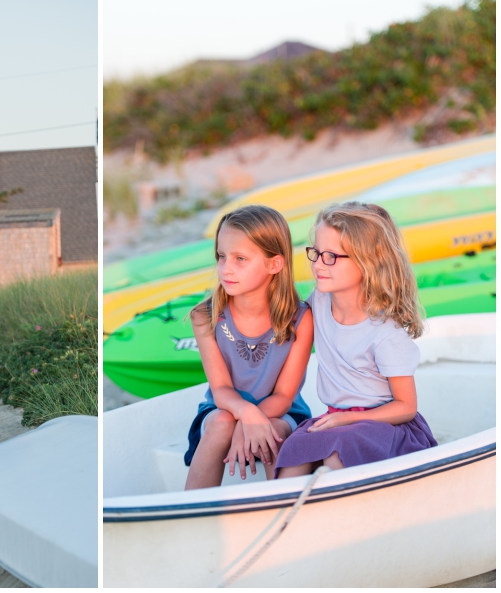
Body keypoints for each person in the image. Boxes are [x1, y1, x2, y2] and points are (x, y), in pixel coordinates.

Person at [276, 202, 437, 478]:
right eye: (315, 253)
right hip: (336, 419)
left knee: (341, 457)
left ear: (368, 262)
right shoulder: (320, 299)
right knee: (293, 454)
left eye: (331, 257)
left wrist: (350, 418)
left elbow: (406, 407)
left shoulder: (385, 333)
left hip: (387, 427)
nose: (317, 265)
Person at [184, 205, 313, 490]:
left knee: (273, 432)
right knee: (221, 423)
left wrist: (252, 422)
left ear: (274, 264)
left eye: (240, 258)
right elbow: (220, 391)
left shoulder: (300, 319)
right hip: (224, 410)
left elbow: (283, 395)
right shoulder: (206, 317)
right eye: (221, 257)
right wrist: (246, 414)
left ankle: (279, 515)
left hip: (284, 413)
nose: (226, 268)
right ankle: (190, 512)